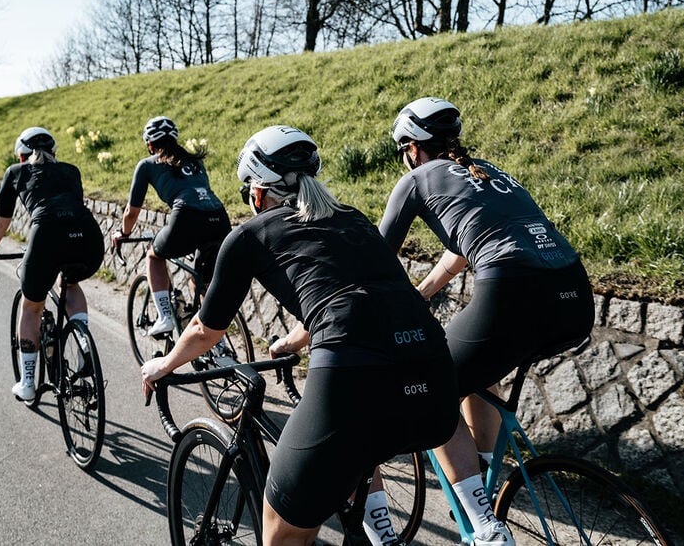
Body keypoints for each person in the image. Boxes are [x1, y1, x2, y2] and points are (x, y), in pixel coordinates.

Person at [141, 125, 459, 546]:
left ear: (256, 193)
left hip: (355, 376)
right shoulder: (353, 218)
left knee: (282, 525)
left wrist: (161, 365)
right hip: (434, 384)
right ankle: (381, 534)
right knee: (354, 449)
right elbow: (362, 295)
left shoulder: (250, 235)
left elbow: (204, 329)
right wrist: (293, 342)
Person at [379, 97, 596, 546]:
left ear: (412, 148)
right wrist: (423, 293)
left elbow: (376, 261)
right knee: (478, 370)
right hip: (575, 297)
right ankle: (479, 473)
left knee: (431, 385)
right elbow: (466, 245)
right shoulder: (489, 172)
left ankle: (482, 524)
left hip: (516, 292)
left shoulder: (417, 178)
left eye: (404, 151)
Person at [0, 126, 104, 401]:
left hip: (47, 236)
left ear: (21, 156)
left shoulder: (15, 172)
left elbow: (2, 222)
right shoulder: (71, 171)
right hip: (89, 239)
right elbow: (68, 208)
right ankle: (83, 343)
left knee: (32, 306)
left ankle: (27, 382)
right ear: (55, 153)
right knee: (70, 283)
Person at [111, 116, 231, 336]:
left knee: (154, 256)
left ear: (149, 144)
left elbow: (132, 211)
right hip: (220, 218)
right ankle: (215, 340)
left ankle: (165, 315)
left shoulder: (147, 165)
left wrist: (123, 233)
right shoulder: (196, 161)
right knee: (199, 281)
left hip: (186, 216)